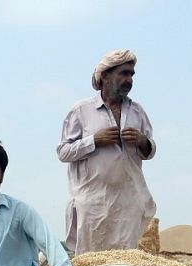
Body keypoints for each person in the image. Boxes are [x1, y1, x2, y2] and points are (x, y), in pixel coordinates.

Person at [57, 49, 157, 254]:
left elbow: (150, 150)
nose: (129, 79)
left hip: (129, 201)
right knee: (90, 263)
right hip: (93, 204)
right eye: (124, 73)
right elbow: (63, 152)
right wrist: (94, 141)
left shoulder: (137, 111)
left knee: (126, 263)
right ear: (105, 76)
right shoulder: (81, 110)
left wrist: (142, 141)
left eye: (131, 74)